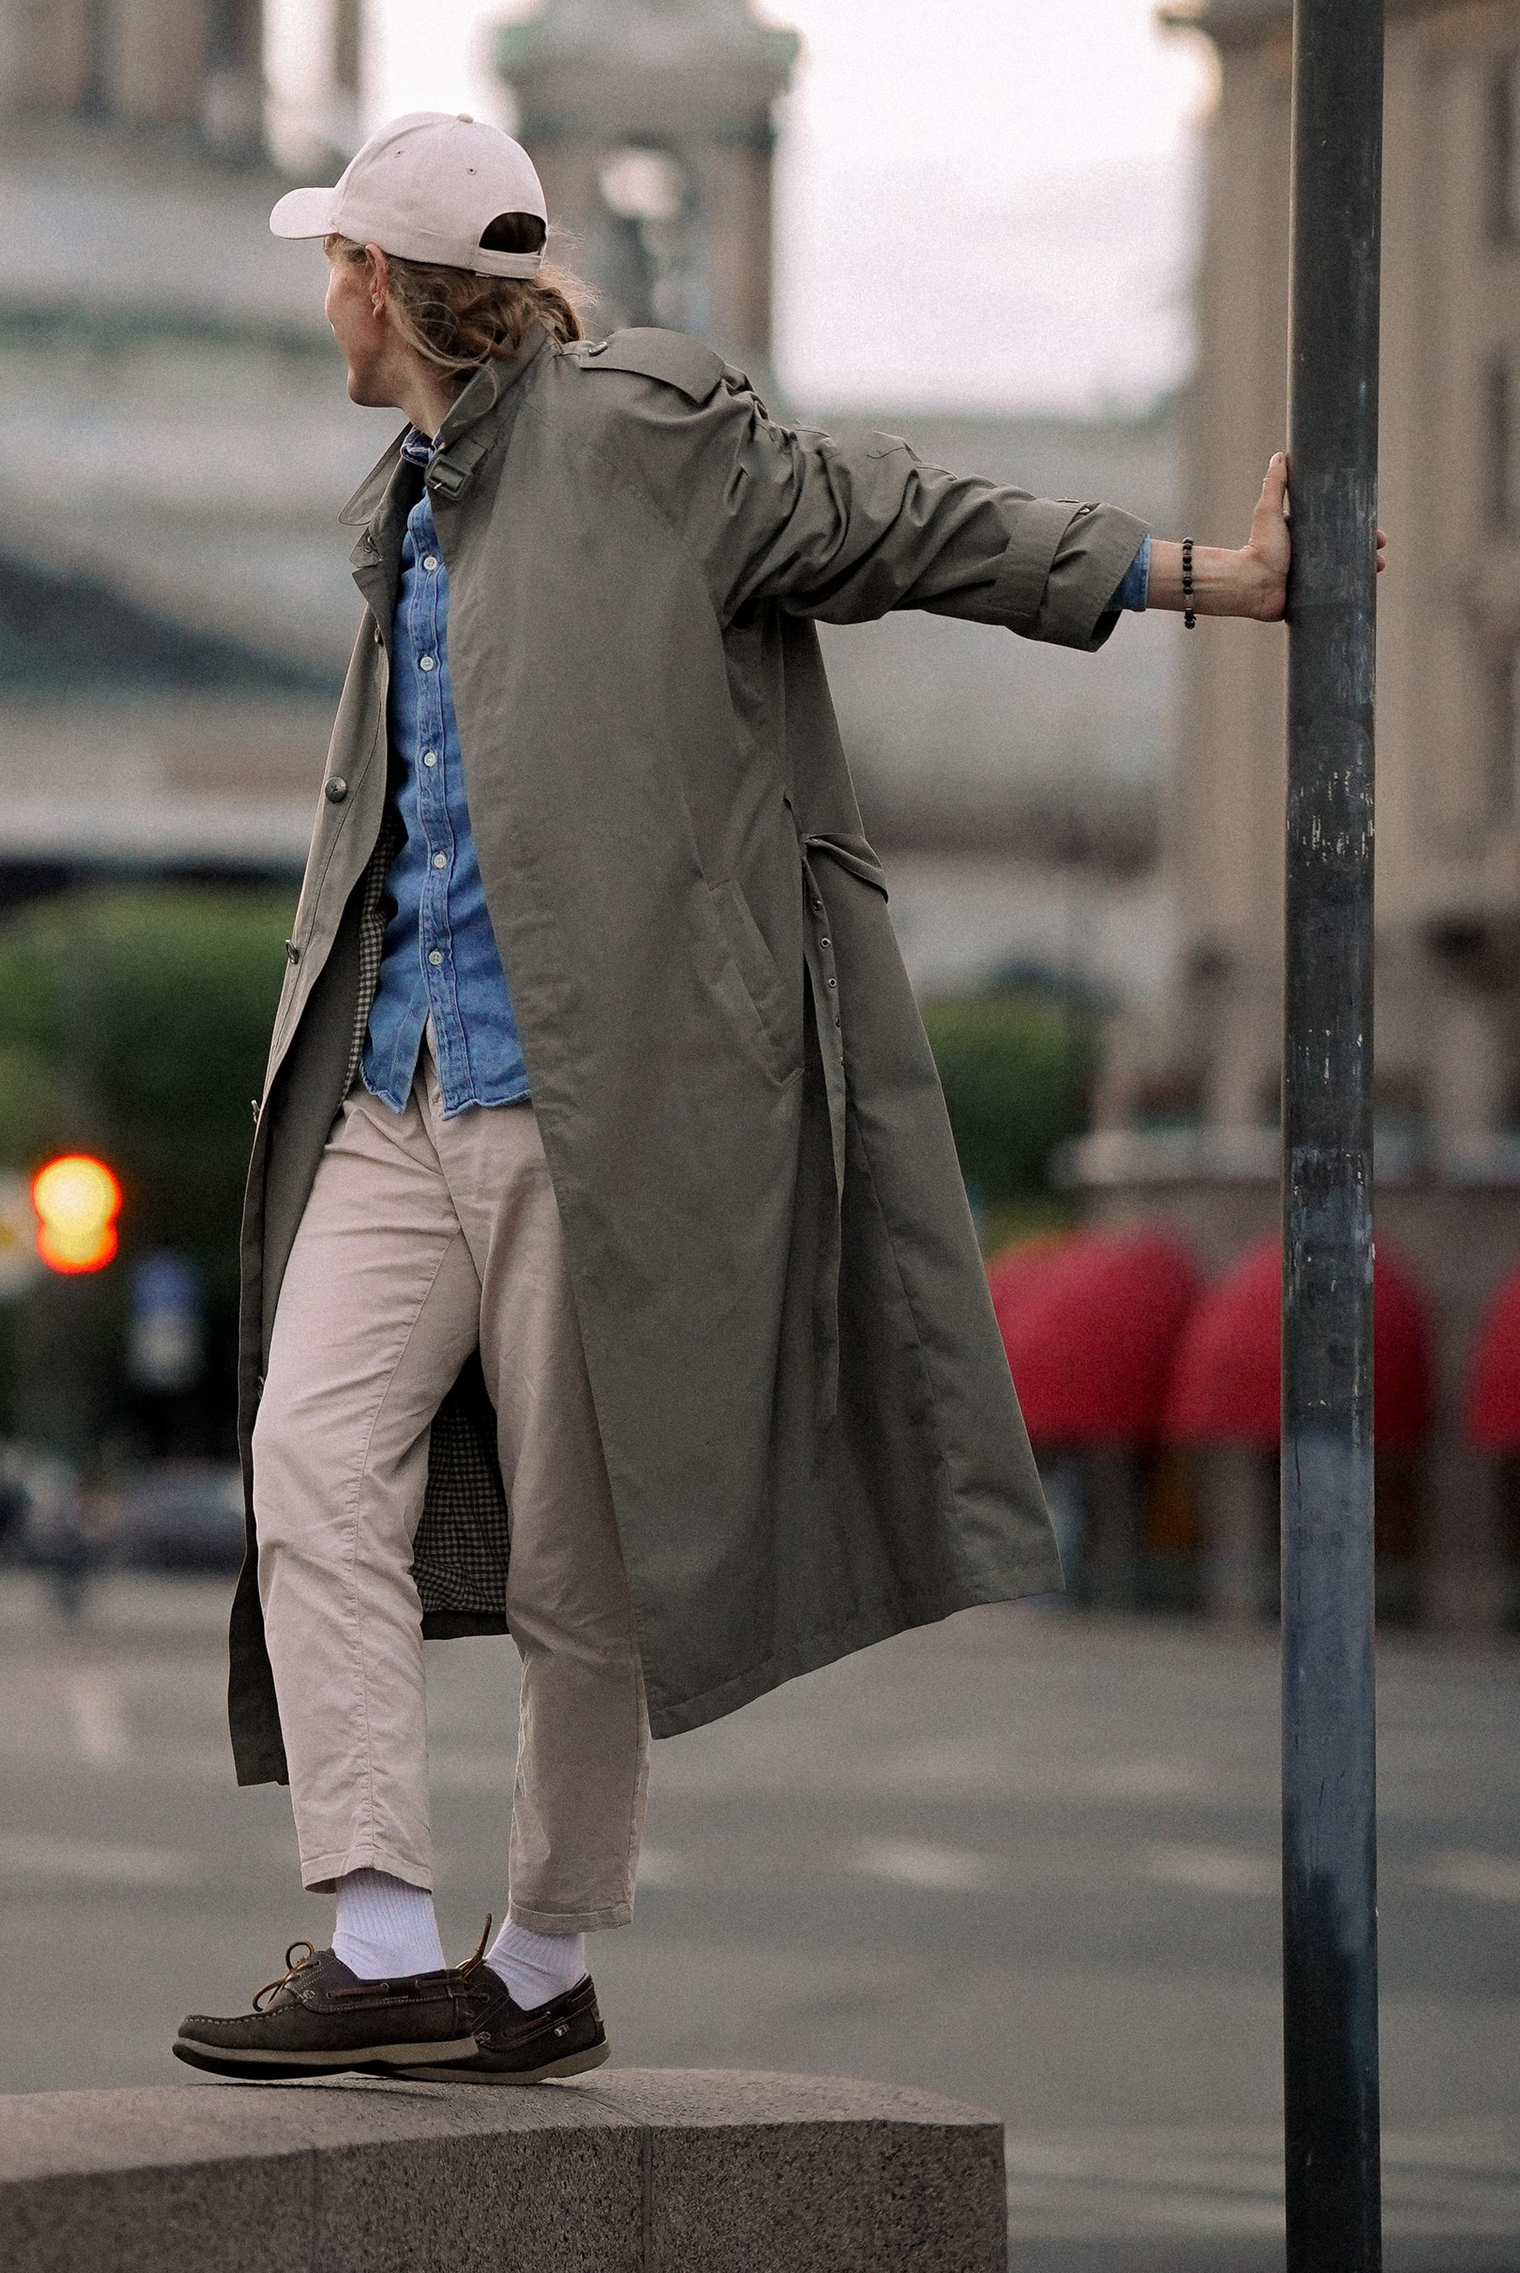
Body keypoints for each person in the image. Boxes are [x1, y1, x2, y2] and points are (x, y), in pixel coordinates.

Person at [173, 110, 1335, 2088]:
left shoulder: (645, 434)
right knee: (309, 1469)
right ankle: (371, 1929)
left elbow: (899, 520)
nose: (322, 300)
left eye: (334, 265)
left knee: (576, 1559)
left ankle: (537, 1962)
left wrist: (1197, 577)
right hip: (394, 1075)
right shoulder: (408, 494)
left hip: (590, 1091)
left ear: (387, 281)